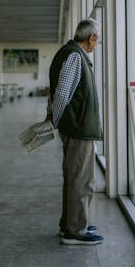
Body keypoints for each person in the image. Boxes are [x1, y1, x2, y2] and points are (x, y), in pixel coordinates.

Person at [46, 18, 104, 245]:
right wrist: (56, 120)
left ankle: (70, 223)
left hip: (76, 127)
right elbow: (61, 93)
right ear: (91, 38)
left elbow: (57, 90)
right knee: (82, 180)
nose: (96, 45)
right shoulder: (74, 56)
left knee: (73, 178)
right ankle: (76, 231)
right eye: (97, 40)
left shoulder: (69, 53)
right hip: (78, 129)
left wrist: (54, 116)